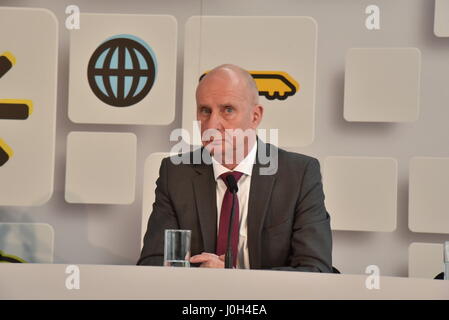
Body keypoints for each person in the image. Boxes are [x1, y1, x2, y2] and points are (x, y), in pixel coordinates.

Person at [137, 64, 332, 272]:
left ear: (255, 116)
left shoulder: (299, 174)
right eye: (205, 111)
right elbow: (152, 264)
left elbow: (315, 269)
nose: (212, 124)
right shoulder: (175, 173)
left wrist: (237, 278)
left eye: (227, 110)